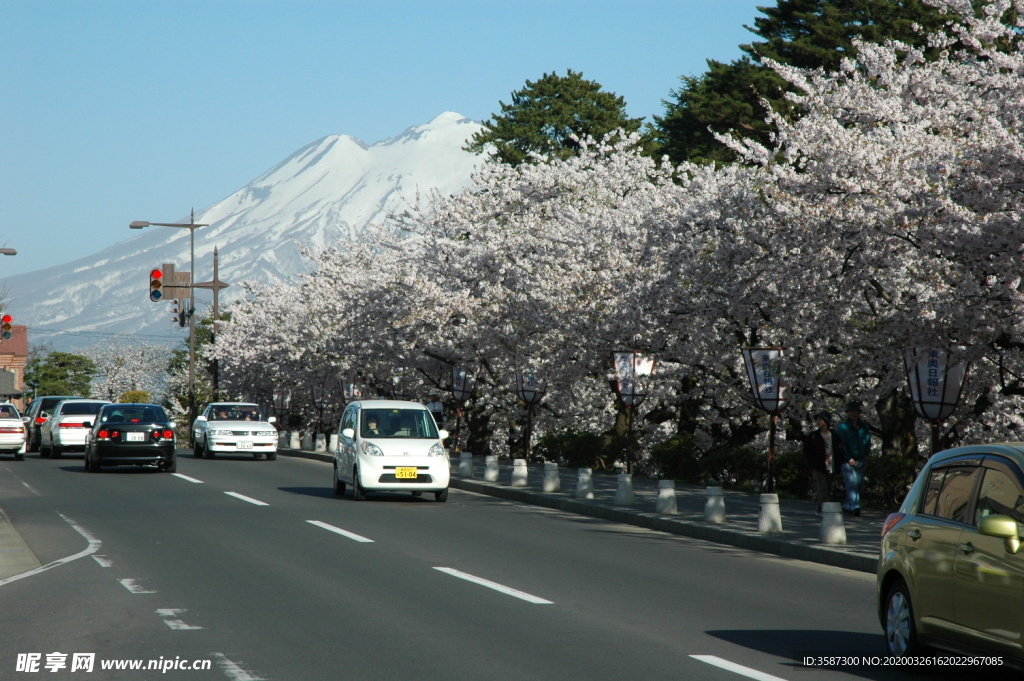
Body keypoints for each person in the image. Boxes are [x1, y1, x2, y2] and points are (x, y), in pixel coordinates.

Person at [836, 400, 873, 517]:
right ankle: (855, 506)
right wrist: (849, 458)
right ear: (847, 413)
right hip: (848, 461)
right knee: (851, 483)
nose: (854, 413)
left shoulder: (864, 426)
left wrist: (866, 453)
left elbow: (867, 440)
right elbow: (841, 445)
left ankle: (847, 505)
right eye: (851, 411)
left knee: (858, 484)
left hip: (861, 459)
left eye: (856, 411)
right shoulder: (843, 428)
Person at [804, 411, 843, 516]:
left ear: (826, 421)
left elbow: (839, 450)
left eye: (820, 419)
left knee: (828, 488)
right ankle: (821, 509)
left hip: (831, 464)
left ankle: (825, 508)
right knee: (823, 488)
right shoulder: (813, 435)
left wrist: (839, 464)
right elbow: (807, 451)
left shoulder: (834, 435)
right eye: (817, 419)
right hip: (818, 466)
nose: (818, 422)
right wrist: (812, 463)